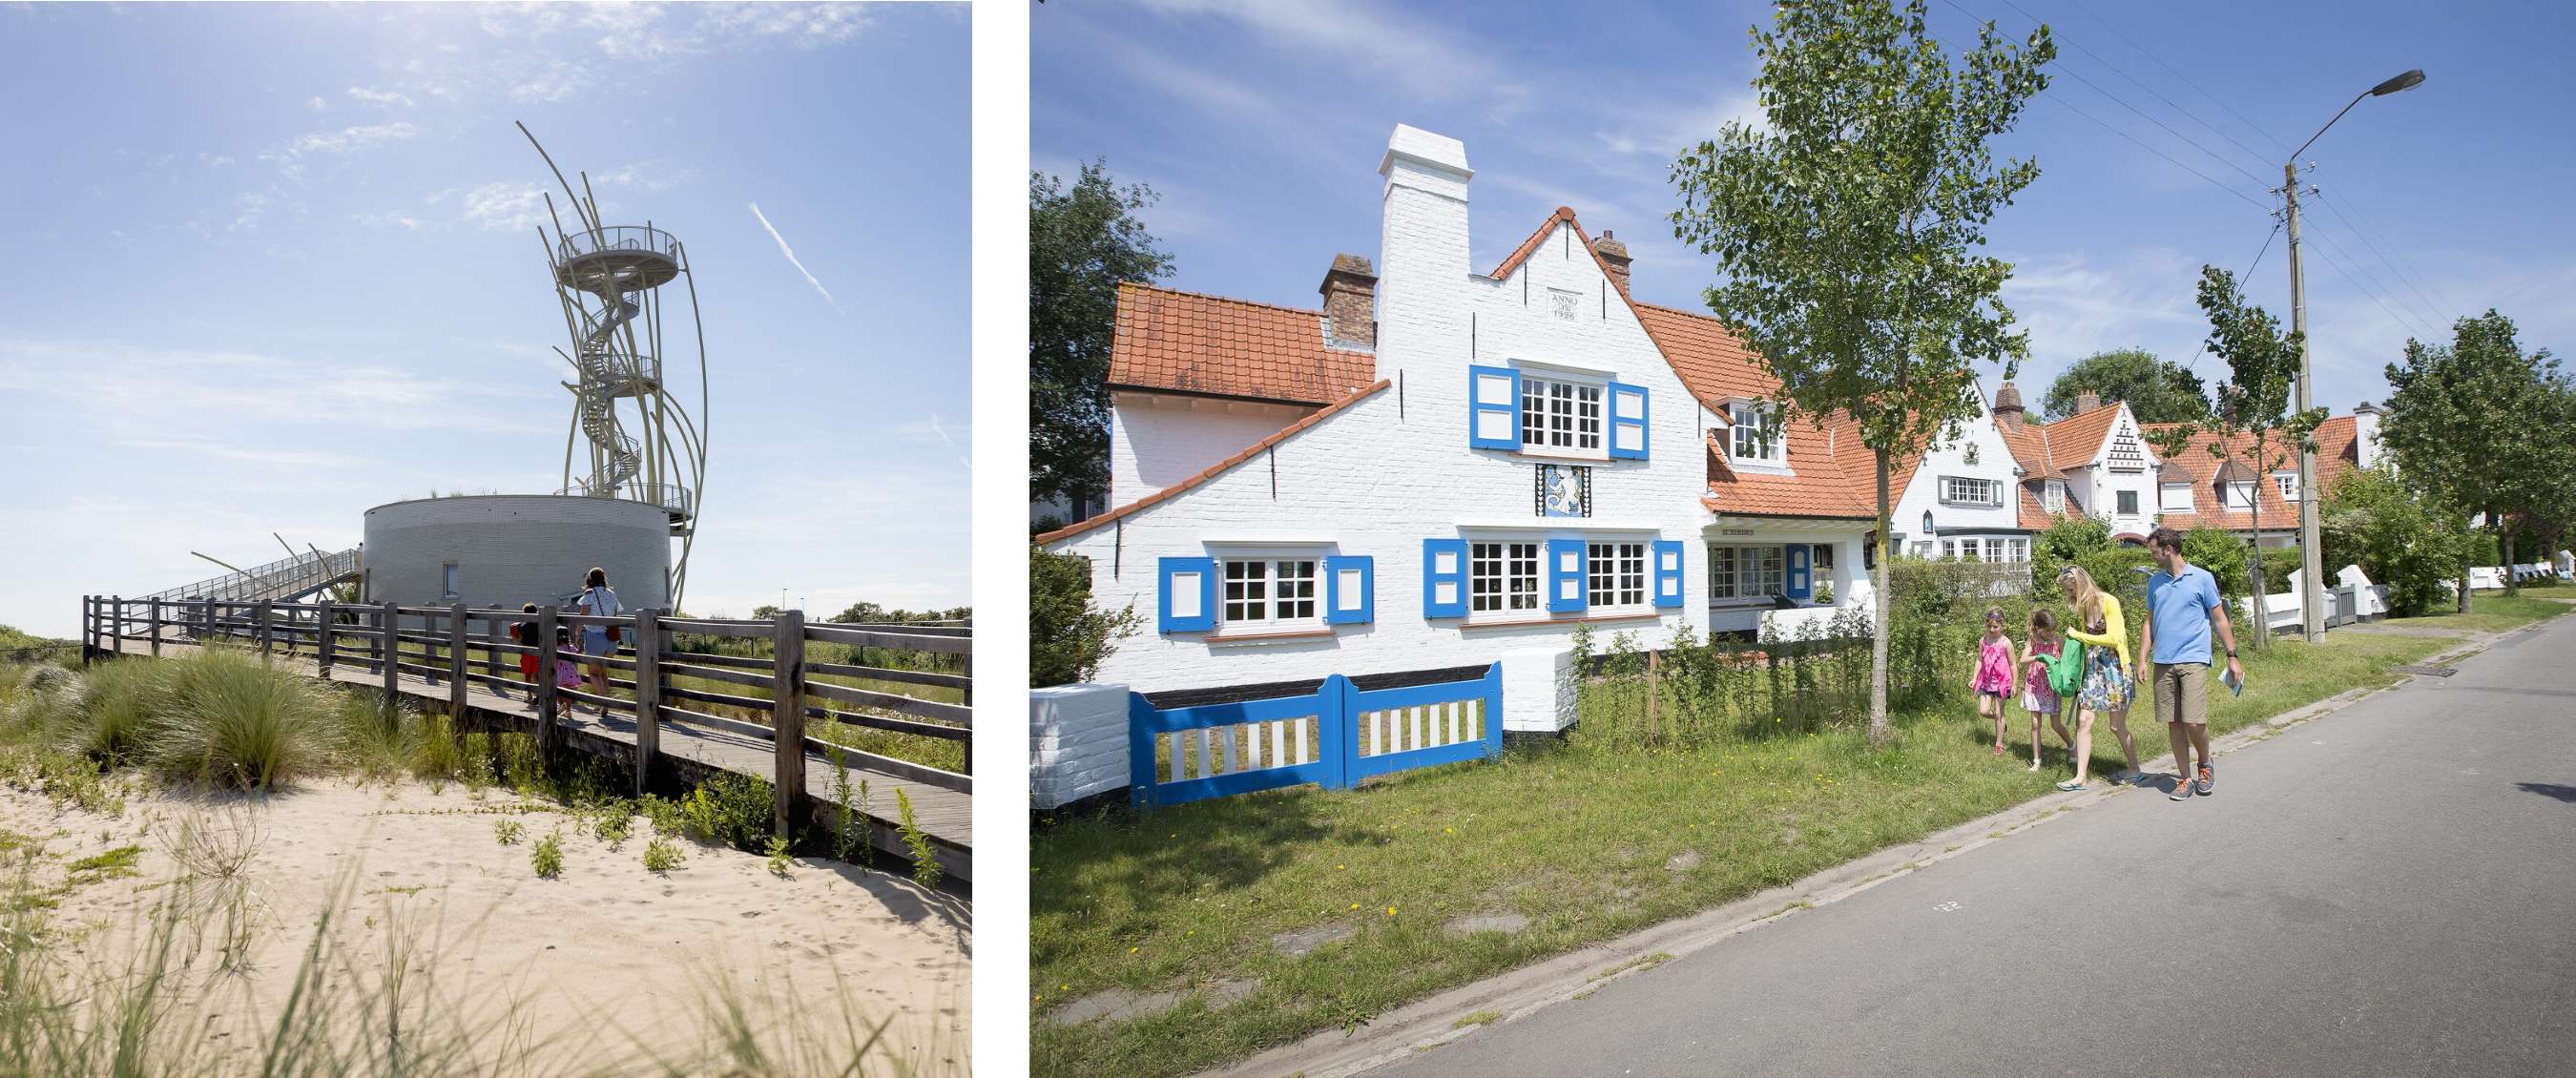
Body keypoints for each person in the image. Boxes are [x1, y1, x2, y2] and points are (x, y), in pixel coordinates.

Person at [2137, 527, 2246, 800]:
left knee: (2194, 722)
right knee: (2174, 723)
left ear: (2169, 549)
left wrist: (2232, 656)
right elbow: (2149, 622)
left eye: (2154, 552)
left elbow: (2220, 619)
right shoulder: (2155, 583)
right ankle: (2185, 779)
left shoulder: (2202, 579)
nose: (2153, 557)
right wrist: (2142, 657)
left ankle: (2205, 764)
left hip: (2194, 658)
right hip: (2163, 661)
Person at [2056, 565, 2141, 791]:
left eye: (2072, 589)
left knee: (2116, 726)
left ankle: (2134, 768)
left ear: (2082, 585)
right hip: (2093, 670)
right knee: (2084, 721)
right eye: (2068, 591)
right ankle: (2080, 777)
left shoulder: (2109, 601)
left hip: (2115, 668)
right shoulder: (2084, 608)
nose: (2070, 595)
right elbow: (2086, 645)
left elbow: (2114, 638)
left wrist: (2078, 635)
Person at [2017, 608, 2072, 773]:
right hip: (2035, 686)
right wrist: (2038, 657)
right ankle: (2037, 761)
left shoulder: (2058, 641)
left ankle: (2072, 745)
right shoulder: (2033, 640)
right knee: (2035, 724)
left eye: (2053, 629)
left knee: (2056, 724)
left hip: (2051, 687)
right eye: (2047, 630)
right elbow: (2023, 660)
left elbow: (2067, 662)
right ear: (2037, 627)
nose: (2051, 633)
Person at [1971, 607, 2017, 756]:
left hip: (2002, 683)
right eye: (1989, 626)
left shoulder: (2006, 643)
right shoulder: (1983, 641)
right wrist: (1974, 677)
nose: (1992, 629)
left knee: (1999, 712)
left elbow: (2012, 664)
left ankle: (1999, 744)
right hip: (1986, 681)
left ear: (2003, 625)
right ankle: (2002, 724)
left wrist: (2015, 683)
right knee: (1983, 711)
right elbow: (1979, 660)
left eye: (1995, 626)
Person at [575, 567, 621, 712]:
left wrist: (577, 635)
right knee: (603, 673)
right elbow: (616, 614)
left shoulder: (589, 594)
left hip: (595, 637)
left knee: (594, 673)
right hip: (611, 639)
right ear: (603, 579)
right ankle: (601, 703)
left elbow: (583, 616)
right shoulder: (612, 594)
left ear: (589, 579)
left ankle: (604, 702)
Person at [507, 602, 542, 700]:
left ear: (525, 613)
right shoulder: (540, 625)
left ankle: (529, 695)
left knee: (528, 674)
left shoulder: (522, 626)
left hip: (527, 652)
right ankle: (539, 694)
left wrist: (514, 635)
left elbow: (520, 640)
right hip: (538, 652)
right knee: (537, 675)